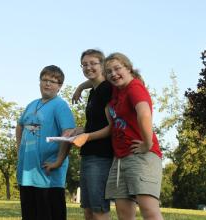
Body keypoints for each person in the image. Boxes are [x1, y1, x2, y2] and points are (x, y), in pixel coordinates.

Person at [71, 53, 164, 220]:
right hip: (120, 159)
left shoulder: (134, 87)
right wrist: (80, 87)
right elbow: (96, 79)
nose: (113, 74)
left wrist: (147, 143)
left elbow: (144, 114)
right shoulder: (116, 90)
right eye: (109, 71)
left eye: (117, 69)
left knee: (148, 210)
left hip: (141, 156)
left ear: (128, 68)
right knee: (124, 214)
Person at [16, 65, 75, 220]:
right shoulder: (32, 104)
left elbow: (68, 134)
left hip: (48, 174)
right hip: (28, 172)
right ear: (40, 82)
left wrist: (59, 161)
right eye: (45, 80)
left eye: (53, 81)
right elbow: (20, 125)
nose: (48, 84)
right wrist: (19, 151)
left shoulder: (60, 105)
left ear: (59, 86)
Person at [67, 49, 114, 220]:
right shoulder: (94, 91)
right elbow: (95, 123)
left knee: (99, 210)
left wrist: (86, 137)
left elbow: (111, 127)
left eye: (93, 63)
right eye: (85, 64)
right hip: (88, 155)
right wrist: (79, 131)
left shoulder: (107, 89)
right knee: (87, 210)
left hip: (101, 156)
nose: (88, 67)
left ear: (103, 65)